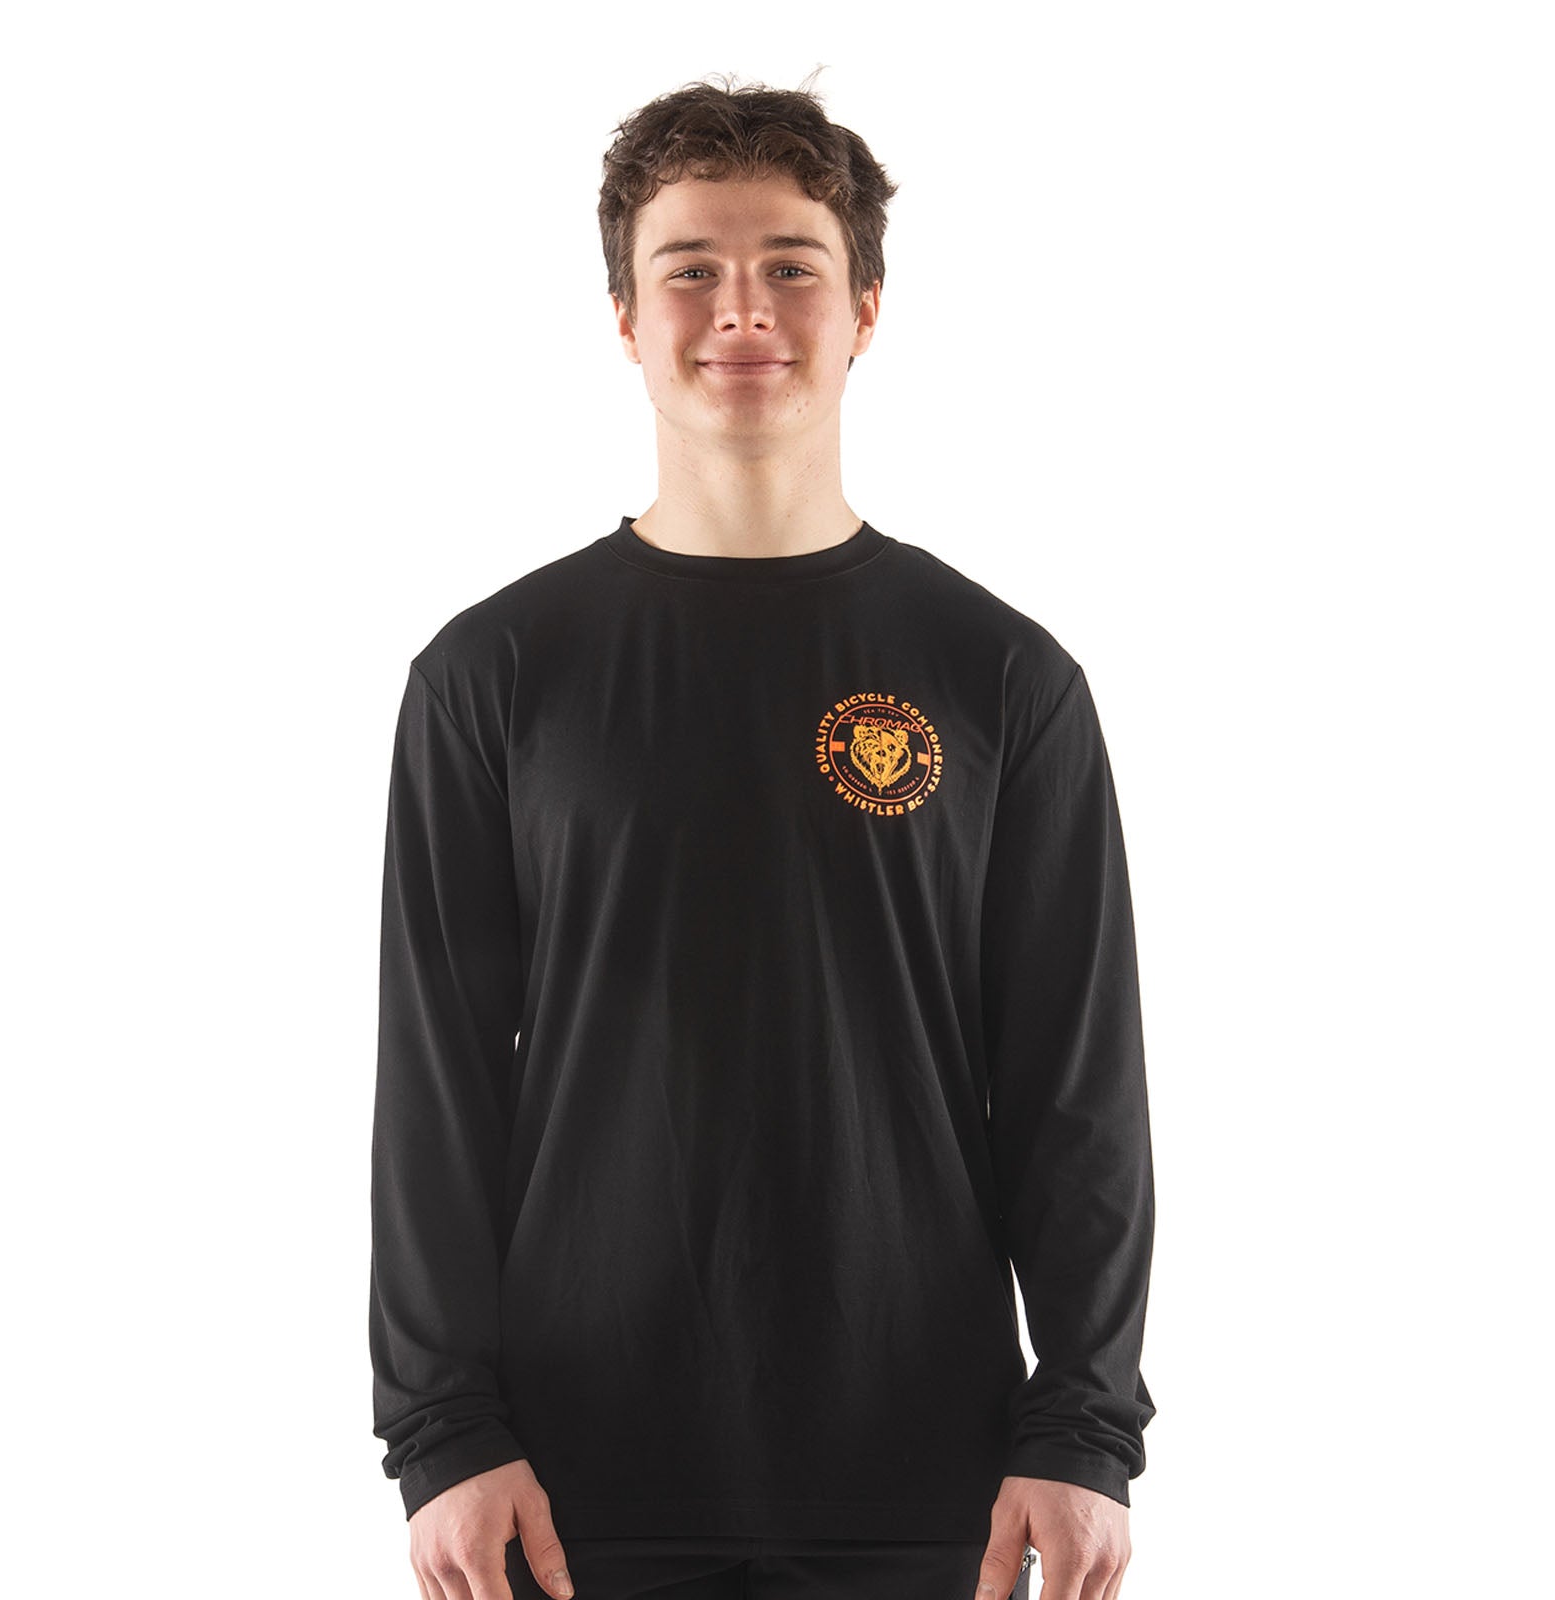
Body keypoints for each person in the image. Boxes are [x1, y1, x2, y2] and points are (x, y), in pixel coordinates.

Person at [370, 72, 1157, 1600]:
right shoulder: (493, 679)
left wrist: (1084, 1428)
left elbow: (1076, 1091)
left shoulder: (1002, 679)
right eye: (692, 269)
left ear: (866, 310)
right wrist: (442, 1432)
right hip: (569, 1496)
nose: (742, 308)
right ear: (624, 317)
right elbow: (437, 1091)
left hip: (930, 1487)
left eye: (792, 265)